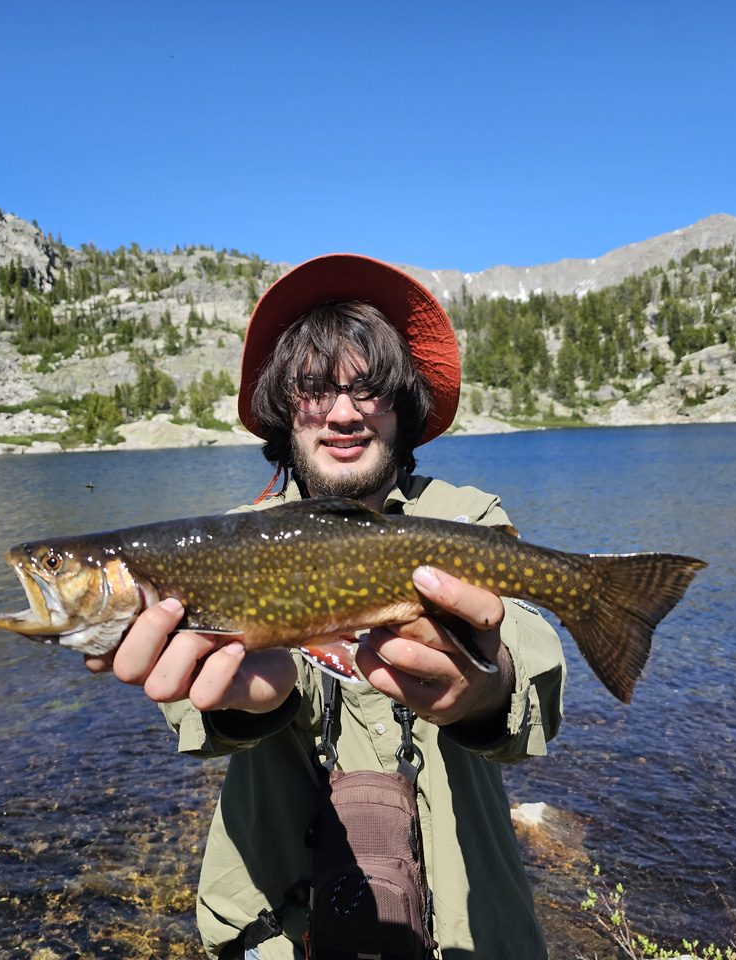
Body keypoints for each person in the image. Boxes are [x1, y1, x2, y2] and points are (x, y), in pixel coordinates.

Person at [84, 254, 566, 959]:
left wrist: (488, 688)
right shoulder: (225, 545)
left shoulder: (466, 518)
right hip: (280, 933)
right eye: (313, 389)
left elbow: (532, 658)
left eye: (370, 389)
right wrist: (249, 704)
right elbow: (193, 714)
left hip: (471, 936)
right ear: (284, 409)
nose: (343, 413)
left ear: (403, 406)